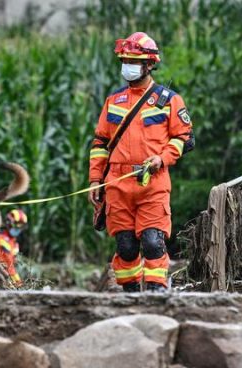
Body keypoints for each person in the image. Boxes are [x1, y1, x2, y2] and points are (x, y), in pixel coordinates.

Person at [88, 32, 195, 293]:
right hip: (117, 185)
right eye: (125, 60)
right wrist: (94, 180)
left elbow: (185, 138)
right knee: (125, 245)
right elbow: (100, 143)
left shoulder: (168, 100)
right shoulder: (114, 101)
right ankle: (131, 292)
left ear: (149, 64)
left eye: (133, 61)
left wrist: (162, 158)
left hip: (152, 183)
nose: (128, 66)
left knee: (152, 242)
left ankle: (157, 291)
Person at [0, 208, 27, 288]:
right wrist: (18, 283)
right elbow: (8, 265)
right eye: (16, 225)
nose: (18, 229)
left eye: (21, 226)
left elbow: (12, 264)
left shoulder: (14, 242)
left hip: (6, 282)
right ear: (9, 223)